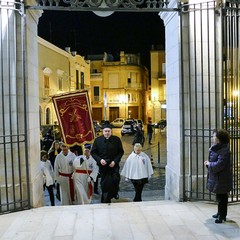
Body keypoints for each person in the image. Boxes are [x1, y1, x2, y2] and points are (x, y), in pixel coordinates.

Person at [204, 129, 232, 223]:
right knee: (219, 196)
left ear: (219, 139)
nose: (213, 138)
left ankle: (222, 216)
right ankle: (219, 213)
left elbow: (220, 164)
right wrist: (209, 163)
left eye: (214, 136)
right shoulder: (217, 147)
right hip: (218, 177)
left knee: (222, 197)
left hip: (222, 178)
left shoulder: (224, 150)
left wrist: (209, 164)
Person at [91, 124, 124, 203]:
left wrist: (115, 161)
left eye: (108, 131)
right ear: (103, 132)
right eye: (105, 131)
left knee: (116, 179)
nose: (107, 133)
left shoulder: (117, 139)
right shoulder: (97, 140)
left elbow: (120, 152)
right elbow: (93, 152)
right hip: (103, 165)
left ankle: (115, 193)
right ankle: (106, 199)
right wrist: (100, 160)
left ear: (111, 132)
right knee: (105, 183)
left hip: (113, 164)